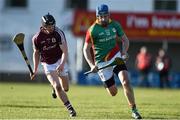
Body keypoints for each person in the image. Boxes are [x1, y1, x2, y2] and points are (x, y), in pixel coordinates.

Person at [83, 4, 142, 119]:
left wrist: (124, 52)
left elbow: (125, 40)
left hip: (116, 57)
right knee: (113, 93)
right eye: (102, 16)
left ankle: (134, 110)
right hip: (101, 63)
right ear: (97, 16)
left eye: (106, 16)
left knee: (126, 82)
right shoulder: (92, 30)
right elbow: (85, 49)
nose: (104, 19)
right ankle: (110, 82)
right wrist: (91, 65)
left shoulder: (115, 24)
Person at [30, 13, 76, 117]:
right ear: (43, 26)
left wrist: (62, 65)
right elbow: (36, 53)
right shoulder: (36, 38)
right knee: (58, 87)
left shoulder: (58, 33)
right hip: (47, 63)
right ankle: (70, 109)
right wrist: (35, 69)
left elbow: (65, 51)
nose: (51, 28)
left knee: (66, 88)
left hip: (60, 60)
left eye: (52, 25)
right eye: (48, 26)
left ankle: (54, 86)